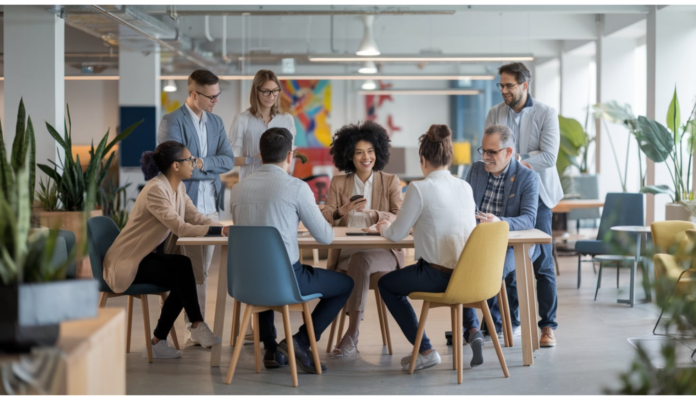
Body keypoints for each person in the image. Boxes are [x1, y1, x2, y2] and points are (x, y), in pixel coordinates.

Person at [230, 127, 354, 373]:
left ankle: (271, 349)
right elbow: (326, 237)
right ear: (290, 155)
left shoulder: (238, 188)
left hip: (244, 282)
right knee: (345, 284)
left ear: (260, 154)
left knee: (260, 265)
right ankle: (300, 341)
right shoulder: (296, 187)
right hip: (286, 280)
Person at [103, 141, 224, 359]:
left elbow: (195, 217)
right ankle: (194, 325)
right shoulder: (156, 190)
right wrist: (217, 231)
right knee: (183, 269)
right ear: (175, 166)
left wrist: (222, 228)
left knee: (183, 271)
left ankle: (162, 340)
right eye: (189, 159)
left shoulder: (178, 187)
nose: (194, 163)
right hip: (129, 260)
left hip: (147, 257)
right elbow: (180, 226)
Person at [377, 124, 477, 372]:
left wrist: (383, 227)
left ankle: (425, 350)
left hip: (437, 276)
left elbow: (397, 234)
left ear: (422, 159)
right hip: (469, 277)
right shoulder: (465, 187)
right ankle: (473, 328)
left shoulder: (419, 188)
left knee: (386, 285)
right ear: (449, 157)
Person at [485, 62, 562, 347]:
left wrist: (515, 159)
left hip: (539, 195)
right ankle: (512, 321)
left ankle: (548, 327)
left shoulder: (545, 113)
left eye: (509, 86)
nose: (504, 90)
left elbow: (549, 156)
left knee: (541, 262)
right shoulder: (495, 112)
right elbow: (491, 151)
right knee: (505, 257)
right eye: (501, 85)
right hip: (505, 194)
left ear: (524, 85)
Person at [157, 69, 235, 346]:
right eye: (211, 97)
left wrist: (200, 163)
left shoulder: (216, 122)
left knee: (203, 271)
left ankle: (195, 327)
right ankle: (195, 326)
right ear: (194, 94)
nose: (216, 101)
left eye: (217, 95)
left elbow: (228, 160)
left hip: (209, 207)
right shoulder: (172, 121)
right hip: (184, 206)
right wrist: (205, 166)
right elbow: (174, 166)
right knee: (192, 269)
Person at [321, 121, 404, 357]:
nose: (365, 157)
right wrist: (342, 210)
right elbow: (326, 215)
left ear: (378, 152)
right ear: (349, 155)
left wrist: (374, 214)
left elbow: (400, 217)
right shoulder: (339, 182)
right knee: (358, 259)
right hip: (346, 253)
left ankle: (352, 334)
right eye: (359, 152)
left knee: (363, 259)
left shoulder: (390, 181)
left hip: (383, 255)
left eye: (370, 151)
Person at [460, 124, 539, 367]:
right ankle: (474, 330)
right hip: (475, 241)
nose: (485, 157)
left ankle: (492, 327)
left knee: (489, 270)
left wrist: (499, 222)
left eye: (492, 152)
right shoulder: (475, 171)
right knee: (454, 266)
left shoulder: (527, 177)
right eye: (482, 150)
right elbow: (461, 204)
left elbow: (529, 219)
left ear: (508, 152)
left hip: (511, 246)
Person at [228, 69, 296, 181]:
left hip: (277, 184)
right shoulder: (242, 119)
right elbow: (230, 160)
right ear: (256, 91)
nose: (271, 96)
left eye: (275, 91)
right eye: (266, 91)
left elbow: (290, 157)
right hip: (250, 184)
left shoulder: (287, 120)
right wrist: (252, 159)